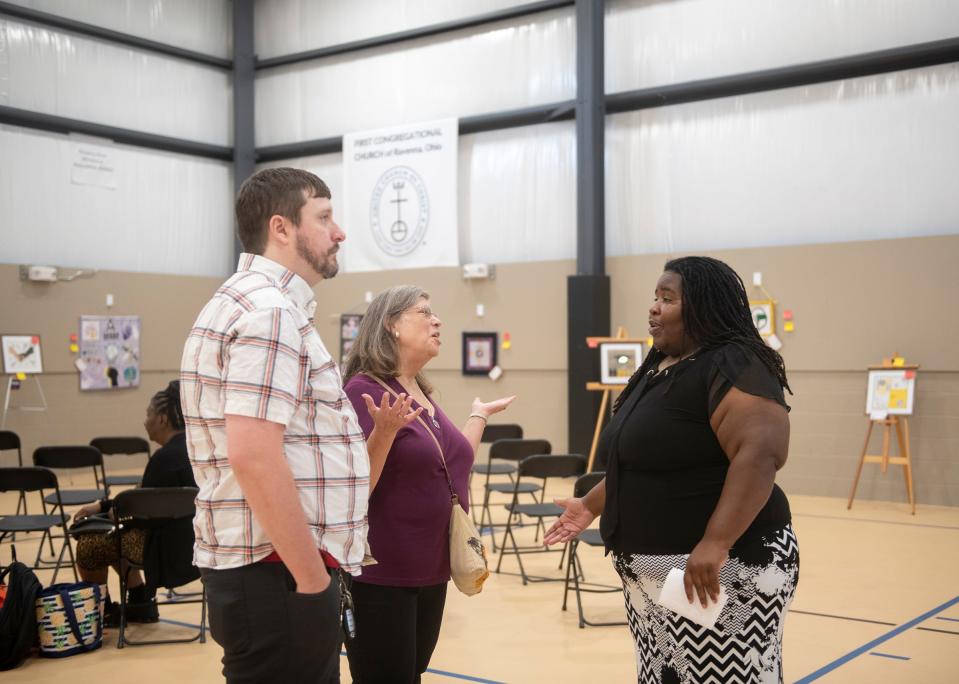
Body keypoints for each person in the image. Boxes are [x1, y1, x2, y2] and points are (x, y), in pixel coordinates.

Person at [180, 168, 417, 684]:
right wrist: (311, 577)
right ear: (282, 228)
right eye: (325, 217)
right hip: (279, 573)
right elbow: (253, 454)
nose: (340, 232)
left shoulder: (256, 303)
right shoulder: (269, 313)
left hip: (276, 571)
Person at [545, 256, 799, 684]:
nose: (654, 307)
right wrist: (590, 505)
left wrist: (716, 543)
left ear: (702, 308)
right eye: (654, 297)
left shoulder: (733, 363)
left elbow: (760, 454)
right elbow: (643, 462)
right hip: (656, 579)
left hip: (724, 568)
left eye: (668, 298)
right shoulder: (659, 368)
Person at [342, 285, 515, 684]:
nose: (437, 320)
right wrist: (382, 433)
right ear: (391, 325)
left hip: (431, 568)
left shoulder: (418, 390)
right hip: (384, 573)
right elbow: (354, 491)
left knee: (411, 674)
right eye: (424, 312)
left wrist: (478, 417)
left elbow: (451, 463)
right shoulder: (363, 392)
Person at [73, 380, 197, 625]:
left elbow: (136, 511)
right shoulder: (195, 449)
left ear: (162, 419)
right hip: (198, 546)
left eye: (148, 414)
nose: (145, 420)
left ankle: (101, 611)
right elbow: (146, 496)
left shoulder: (163, 460)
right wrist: (103, 506)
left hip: (164, 552)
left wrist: (110, 514)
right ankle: (141, 603)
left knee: (91, 544)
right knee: (117, 536)